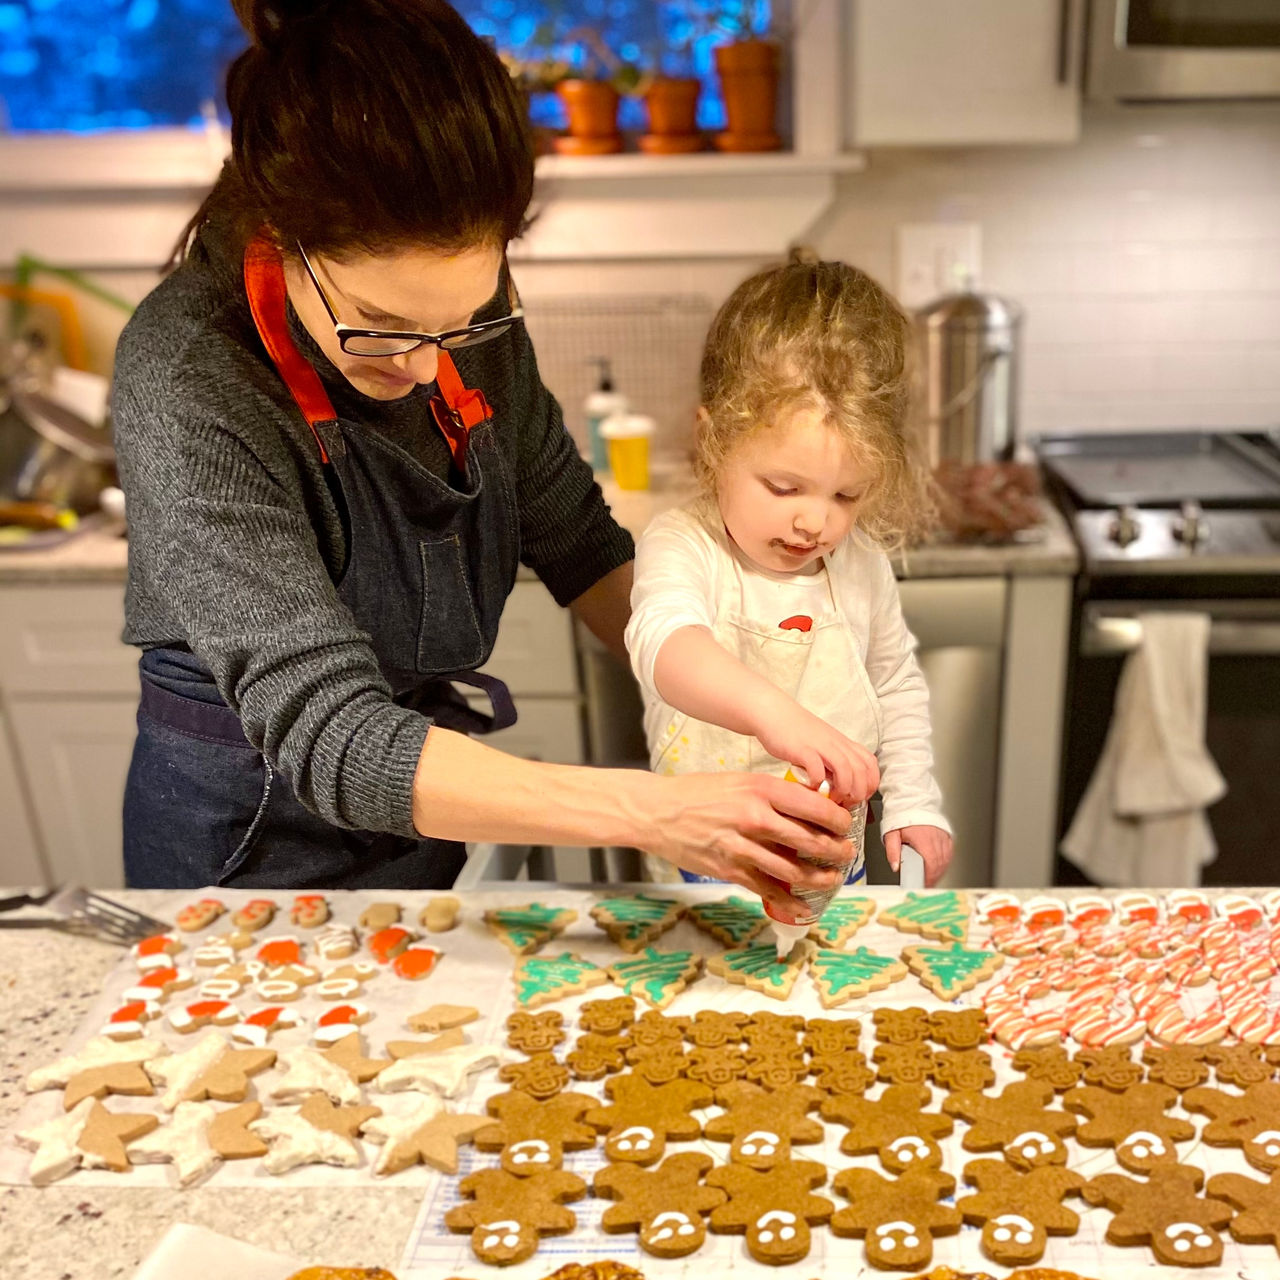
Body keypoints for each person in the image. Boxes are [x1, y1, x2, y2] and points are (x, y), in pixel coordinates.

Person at [110, 0, 853, 905]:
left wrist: (752, 705)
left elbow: (580, 544)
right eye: (381, 329)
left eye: (462, 323)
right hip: (246, 850)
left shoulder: (465, 320)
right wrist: (655, 812)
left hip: (424, 820)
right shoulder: (190, 368)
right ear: (285, 236)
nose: (429, 366)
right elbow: (328, 731)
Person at [625, 254, 955, 888]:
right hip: (704, 865)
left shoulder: (857, 564)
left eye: (846, 496)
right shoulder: (685, 544)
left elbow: (894, 686)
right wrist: (781, 719)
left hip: (830, 860)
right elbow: (666, 644)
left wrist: (912, 798)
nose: (815, 524)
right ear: (712, 442)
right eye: (783, 487)